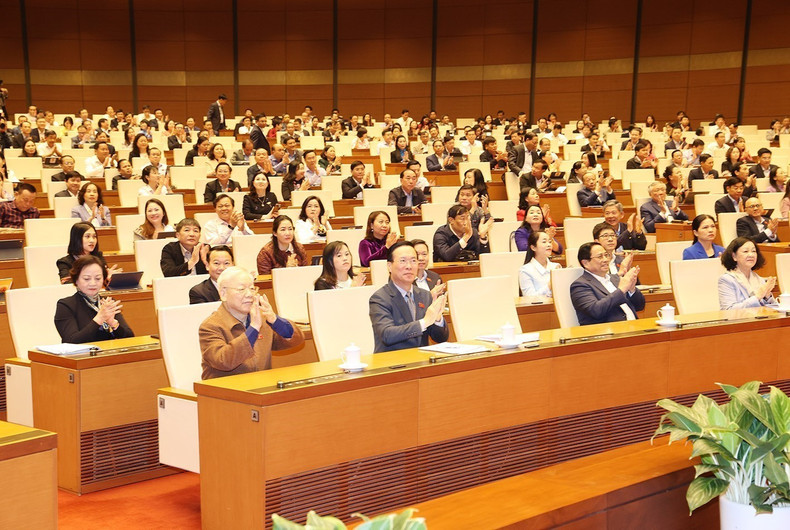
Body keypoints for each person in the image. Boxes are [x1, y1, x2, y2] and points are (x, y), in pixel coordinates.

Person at [199, 266, 305, 379]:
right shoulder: (210, 326)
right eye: (241, 289)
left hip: (261, 388)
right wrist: (253, 328)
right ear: (223, 294)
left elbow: (295, 340)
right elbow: (223, 361)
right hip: (226, 392)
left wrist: (275, 320)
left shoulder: (261, 319)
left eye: (252, 289)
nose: (249, 294)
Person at [368, 241, 449, 353]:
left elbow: (441, 338)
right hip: (392, 363)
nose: (409, 266)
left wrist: (437, 320)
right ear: (389, 266)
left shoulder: (425, 295)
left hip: (421, 362)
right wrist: (424, 322)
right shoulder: (380, 298)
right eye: (403, 261)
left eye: (413, 261)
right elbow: (387, 335)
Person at [54, 255, 134, 343]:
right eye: (87, 279)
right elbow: (71, 341)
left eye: (98, 278)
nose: (93, 283)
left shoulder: (108, 302)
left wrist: (114, 324)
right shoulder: (66, 305)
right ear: (76, 279)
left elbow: (130, 338)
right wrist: (99, 318)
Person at [570, 242, 645, 325]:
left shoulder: (615, 278)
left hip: (634, 327)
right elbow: (596, 311)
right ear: (585, 263)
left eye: (606, 255)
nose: (606, 260)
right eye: (600, 257)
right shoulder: (580, 285)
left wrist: (632, 290)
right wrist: (621, 290)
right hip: (607, 333)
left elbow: (640, 306)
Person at [718, 237, 777, 310]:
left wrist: (767, 296)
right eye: (745, 251)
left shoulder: (760, 280)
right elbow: (728, 310)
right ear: (734, 256)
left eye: (753, 251)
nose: (751, 255)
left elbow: (775, 309)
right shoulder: (727, 280)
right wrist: (757, 297)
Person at [519, 230, 562, 297]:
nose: (549, 245)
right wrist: (550, 284)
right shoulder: (525, 270)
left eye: (550, 242)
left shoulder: (556, 266)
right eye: (544, 242)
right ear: (533, 247)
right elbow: (529, 298)